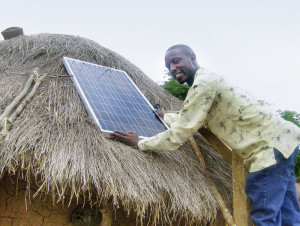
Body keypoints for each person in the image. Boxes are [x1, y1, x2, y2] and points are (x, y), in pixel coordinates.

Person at [110, 44, 300, 225]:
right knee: (289, 216)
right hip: (283, 143)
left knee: (265, 216)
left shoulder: (203, 85)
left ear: (192, 58)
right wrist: (165, 116)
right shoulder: (208, 81)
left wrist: (140, 144)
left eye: (176, 61)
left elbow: (180, 133)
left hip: (266, 151)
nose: (173, 68)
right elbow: (190, 120)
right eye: (168, 66)